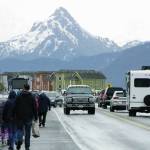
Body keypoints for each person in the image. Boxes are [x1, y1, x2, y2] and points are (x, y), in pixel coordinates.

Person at [14, 84, 38, 150]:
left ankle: (19, 141)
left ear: (23, 88)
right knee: (27, 133)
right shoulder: (32, 97)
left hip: (19, 117)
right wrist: (36, 117)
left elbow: (15, 106)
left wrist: (14, 115)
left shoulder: (18, 96)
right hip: (29, 117)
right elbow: (35, 108)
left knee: (20, 130)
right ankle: (27, 147)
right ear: (29, 88)